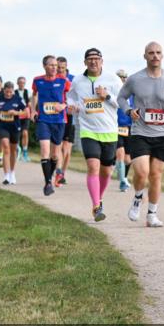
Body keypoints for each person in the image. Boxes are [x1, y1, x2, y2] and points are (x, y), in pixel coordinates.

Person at [117, 42, 164, 228]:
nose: (155, 55)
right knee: (142, 171)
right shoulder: (135, 79)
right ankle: (138, 197)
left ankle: (152, 214)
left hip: (163, 134)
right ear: (145, 56)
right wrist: (129, 111)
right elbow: (121, 98)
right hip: (141, 132)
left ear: (163, 56)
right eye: (151, 53)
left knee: (155, 175)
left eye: (158, 52)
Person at [67, 48, 122, 221]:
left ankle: (100, 197)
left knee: (106, 172)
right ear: (85, 62)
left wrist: (106, 96)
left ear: (102, 61)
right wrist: (73, 106)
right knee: (93, 167)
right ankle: (96, 206)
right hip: (88, 130)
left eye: (96, 58)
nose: (93, 61)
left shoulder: (112, 79)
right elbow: (70, 97)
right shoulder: (77, 81)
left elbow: (122, 102)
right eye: (89, 59)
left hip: (109, 131)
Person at [31, 56, 70, 195]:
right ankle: (48, 183)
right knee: (45, 150)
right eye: (51, 65)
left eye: (55, 65)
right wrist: (33, 110)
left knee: (55, 155)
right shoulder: (37, 80)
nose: (54, 67)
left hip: (59, 121)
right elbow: (34, 95)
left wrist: (64, 105)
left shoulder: (63, 81)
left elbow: (72, 97)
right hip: (43, 120)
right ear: (44, 66)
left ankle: (50, 177)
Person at [0, 81, 29, 185]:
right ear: (4, 90)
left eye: (10, 92)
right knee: (6, 147)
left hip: (15, 127)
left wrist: (16, 112)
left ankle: (12, 173)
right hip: (3, 127)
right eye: (6, 92)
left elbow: (26, 111)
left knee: (13, 150)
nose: (8, 94)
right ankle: (6, 176)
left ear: (12, 91)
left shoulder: (17, 99)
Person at [55, 56, 74, 187]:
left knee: (67, 150)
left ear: (66, 67)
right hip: (57, 117)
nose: (60, 70)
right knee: (60, 147)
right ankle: (59, 173)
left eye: (62, 68)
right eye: (58, 68)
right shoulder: (54, 79)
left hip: (70, 116)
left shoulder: (73, 79)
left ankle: (63, 174)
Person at [114, 68, 133, 192]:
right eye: (120, 77)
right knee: (120, 153)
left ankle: (124, 177)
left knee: (128, 159)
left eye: (124, 77)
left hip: (129, 128)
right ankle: (122, 181)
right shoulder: (113, 94)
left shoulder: (132, 94)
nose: (123, 79)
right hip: (115, 127)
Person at [15, 76, 32, 162]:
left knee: (25, 133)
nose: (22, 84)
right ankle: (17, 150)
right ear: (17, 83)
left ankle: (25, 152)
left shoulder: (27, 92)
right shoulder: (14, 93)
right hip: (17, 115)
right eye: (20, 82)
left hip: (25, 115)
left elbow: (30, 103)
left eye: (23, 83)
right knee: (17, 133)